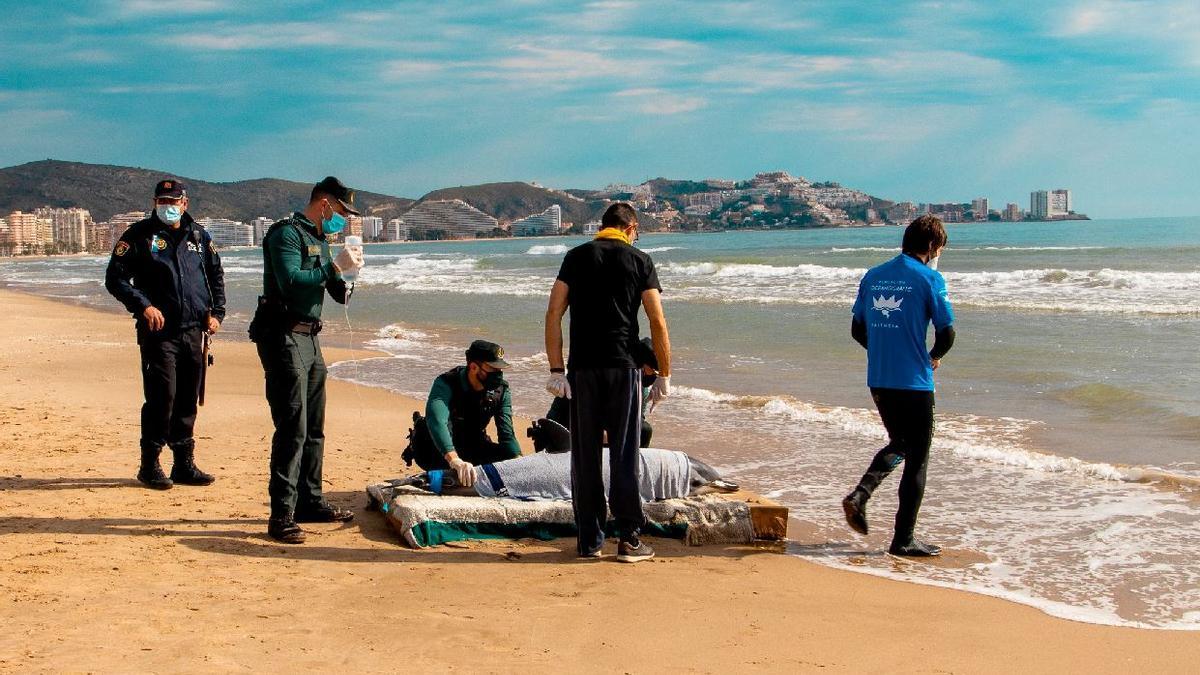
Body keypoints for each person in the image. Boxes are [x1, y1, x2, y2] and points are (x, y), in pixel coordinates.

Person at [544, 202, 672, 563]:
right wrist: (664, 374)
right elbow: (657, 321)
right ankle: (629, 540)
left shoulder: (576, 257)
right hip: (623, 367)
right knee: (624, 454)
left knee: (584, 457)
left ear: (603, 227)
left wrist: (556, 369)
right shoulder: (640, 260)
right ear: (631, 228)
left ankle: (589, 541)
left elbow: (554, 312)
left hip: (583, 370)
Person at [249, 176, 364, 544]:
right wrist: (332, 268)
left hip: (310, 338)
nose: (344, 220)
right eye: (342, 212)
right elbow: (290, 281)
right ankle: (281, 514)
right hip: (282, 336)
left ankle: (309, 502)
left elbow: (335, 293)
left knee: (314, 426)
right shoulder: (286, 235)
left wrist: (348, 274)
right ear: (325, 203)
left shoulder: (319, 238)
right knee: (292, 426)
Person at [842, 215, 956, 557]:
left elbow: (857, 330)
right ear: (934, 247)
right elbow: (947, 334)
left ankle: (863, 494)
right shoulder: (930, 279)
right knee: (916, 456)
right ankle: (902, 538)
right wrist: (932, 356)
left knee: (901, 443)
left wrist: (884, 352)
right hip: (915, 382)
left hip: (879, 379)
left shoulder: (873, 276)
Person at [105, 179, 225, 490]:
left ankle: (183, 464)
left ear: (185, 203)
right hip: (159, 332)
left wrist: (217, 313)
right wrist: (143, 306)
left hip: (193, 331)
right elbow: (115, 279)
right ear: (154, 202)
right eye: (162, 201)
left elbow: (214, 275)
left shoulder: (199, 235)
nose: (168, 207)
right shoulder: (139, 235)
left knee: (187, 397)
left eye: (173, 202)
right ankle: (150, 464)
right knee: (162, 396)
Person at [401, 340, 522, 486]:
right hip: (435, 447)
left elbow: (507, 436)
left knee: (506, 462)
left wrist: (519, 463)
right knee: (435, 444)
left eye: (500, 370)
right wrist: (454, 460)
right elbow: (437, 421)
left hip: (471, 444)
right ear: (473, 367)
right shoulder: (446, 383)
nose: (498, 374)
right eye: (493, 369)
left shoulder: (501, 391)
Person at [543, 337, 659, 448]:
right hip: (563, 425)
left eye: (655, 374)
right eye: (645, 370)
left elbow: (636, 420)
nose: (649, 376)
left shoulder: (641, 386)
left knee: (644, 430)